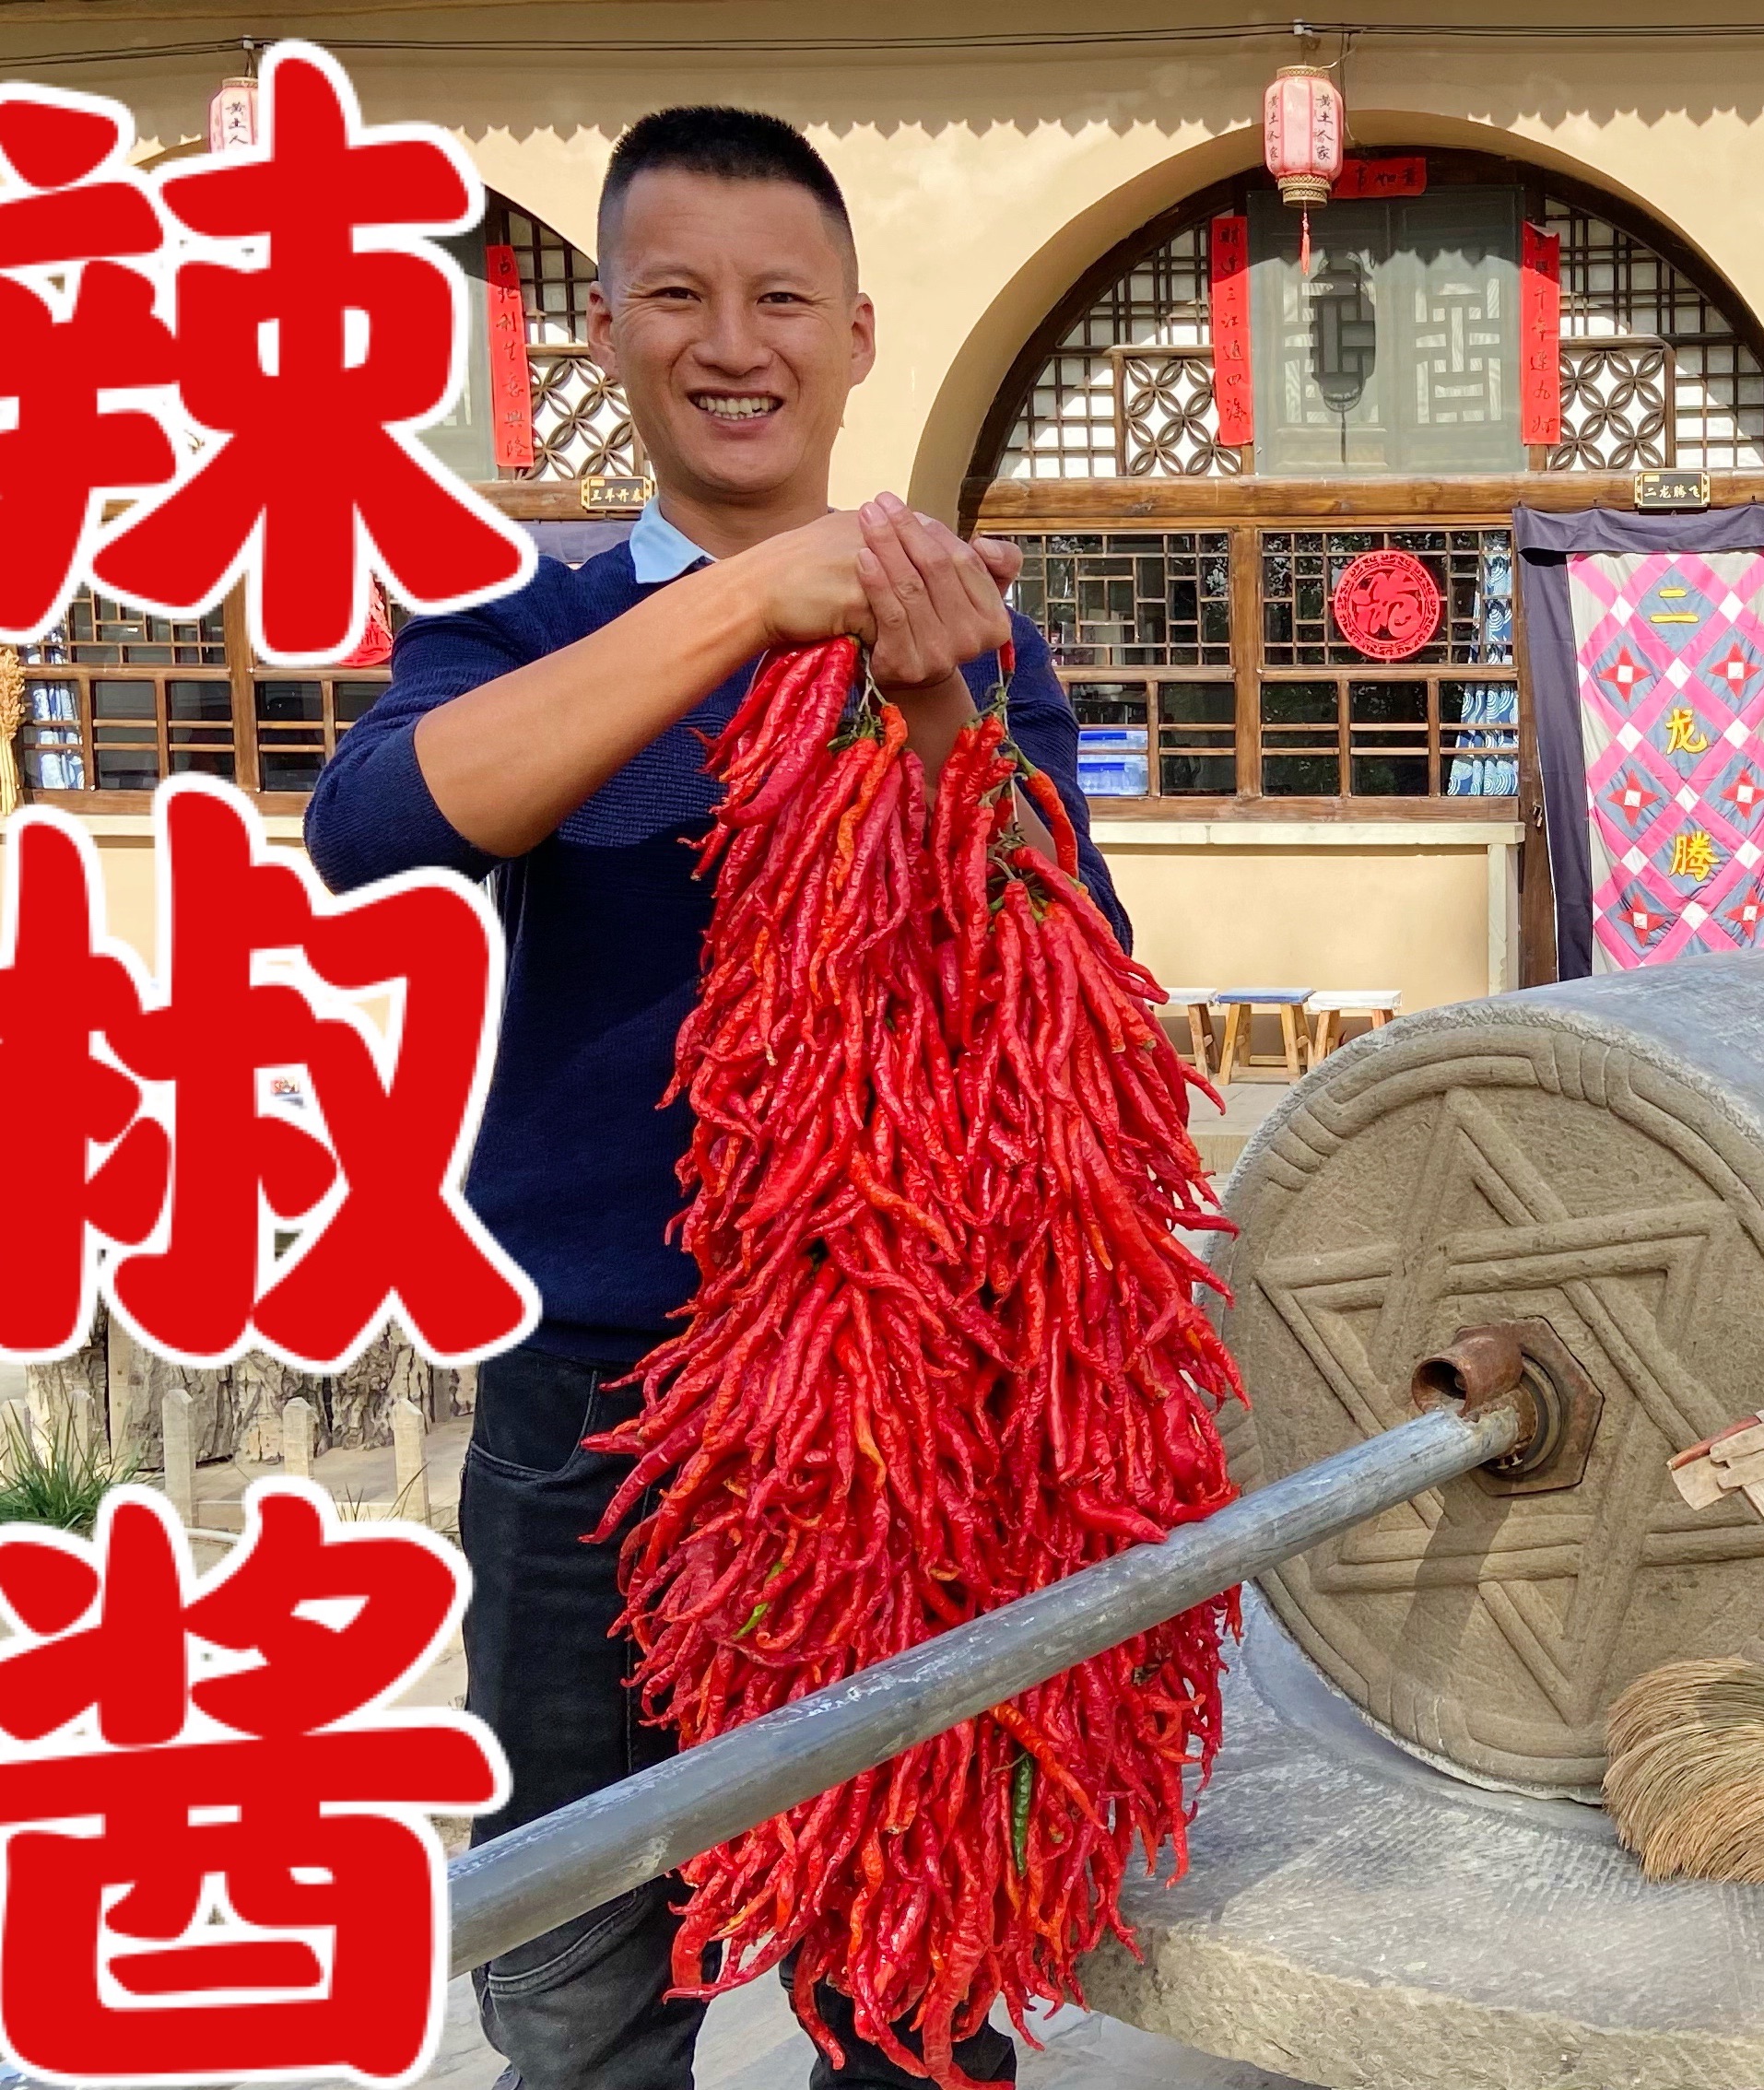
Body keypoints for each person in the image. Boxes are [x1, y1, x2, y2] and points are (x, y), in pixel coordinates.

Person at [306, 105, 1119, 2088]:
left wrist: (936, 713)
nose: (730, 340)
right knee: (582, 1969)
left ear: (854, 334)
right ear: (605, 331)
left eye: (778, 298)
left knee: (915, 1973)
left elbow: (1058, 991)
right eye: (676, 295)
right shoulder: (517, 635)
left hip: (898, 1406)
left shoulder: (974, 646)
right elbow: (378, 835)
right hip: (591, 1406)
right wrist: (752, 601)